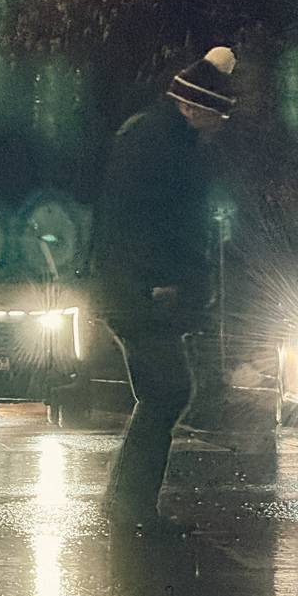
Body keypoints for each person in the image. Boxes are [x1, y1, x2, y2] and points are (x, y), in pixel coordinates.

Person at [92, 46, 237, 528]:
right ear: (193, 107)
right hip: (142, 291)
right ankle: (130, 506)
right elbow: (147, 222)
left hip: (133, 287)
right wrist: (161, 280)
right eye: (217, 115)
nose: (220, 126)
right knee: (168, 391)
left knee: (164, 392)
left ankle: (127, 502)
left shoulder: (153, 137)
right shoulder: (159, 145)